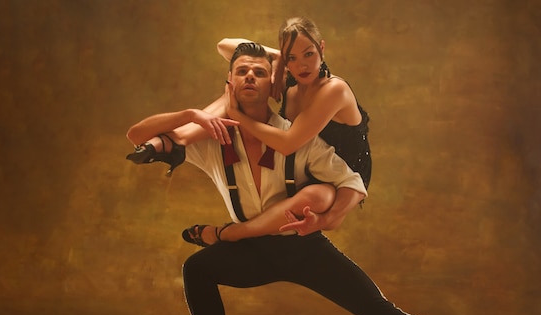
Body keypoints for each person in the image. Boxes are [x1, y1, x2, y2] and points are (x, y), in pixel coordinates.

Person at [128, 42, 527, 315]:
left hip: (301, 245)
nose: (250, 76)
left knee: (378, 308)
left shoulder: (296, 136)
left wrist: (327, 220)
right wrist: (190, 114)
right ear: (230, 83)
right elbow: (136, 135)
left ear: (273, 86)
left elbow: (350, 181)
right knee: (198, 268)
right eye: (242, 71)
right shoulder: (211, 139)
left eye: (260, 71)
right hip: (250, 251)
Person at [127, 17, 371, 246]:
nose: (302, 65)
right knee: (242, 86)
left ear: (322, 48)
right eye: (293, 58)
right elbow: (224, 46)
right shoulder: (291, 77)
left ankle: (228, 233)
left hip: (343, 169)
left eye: (309, 53)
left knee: (240, 98)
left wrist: (237, 116)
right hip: (304, 165)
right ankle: (180, 139)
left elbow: (287, 144)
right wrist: (275, 58)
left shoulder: (334, 89)